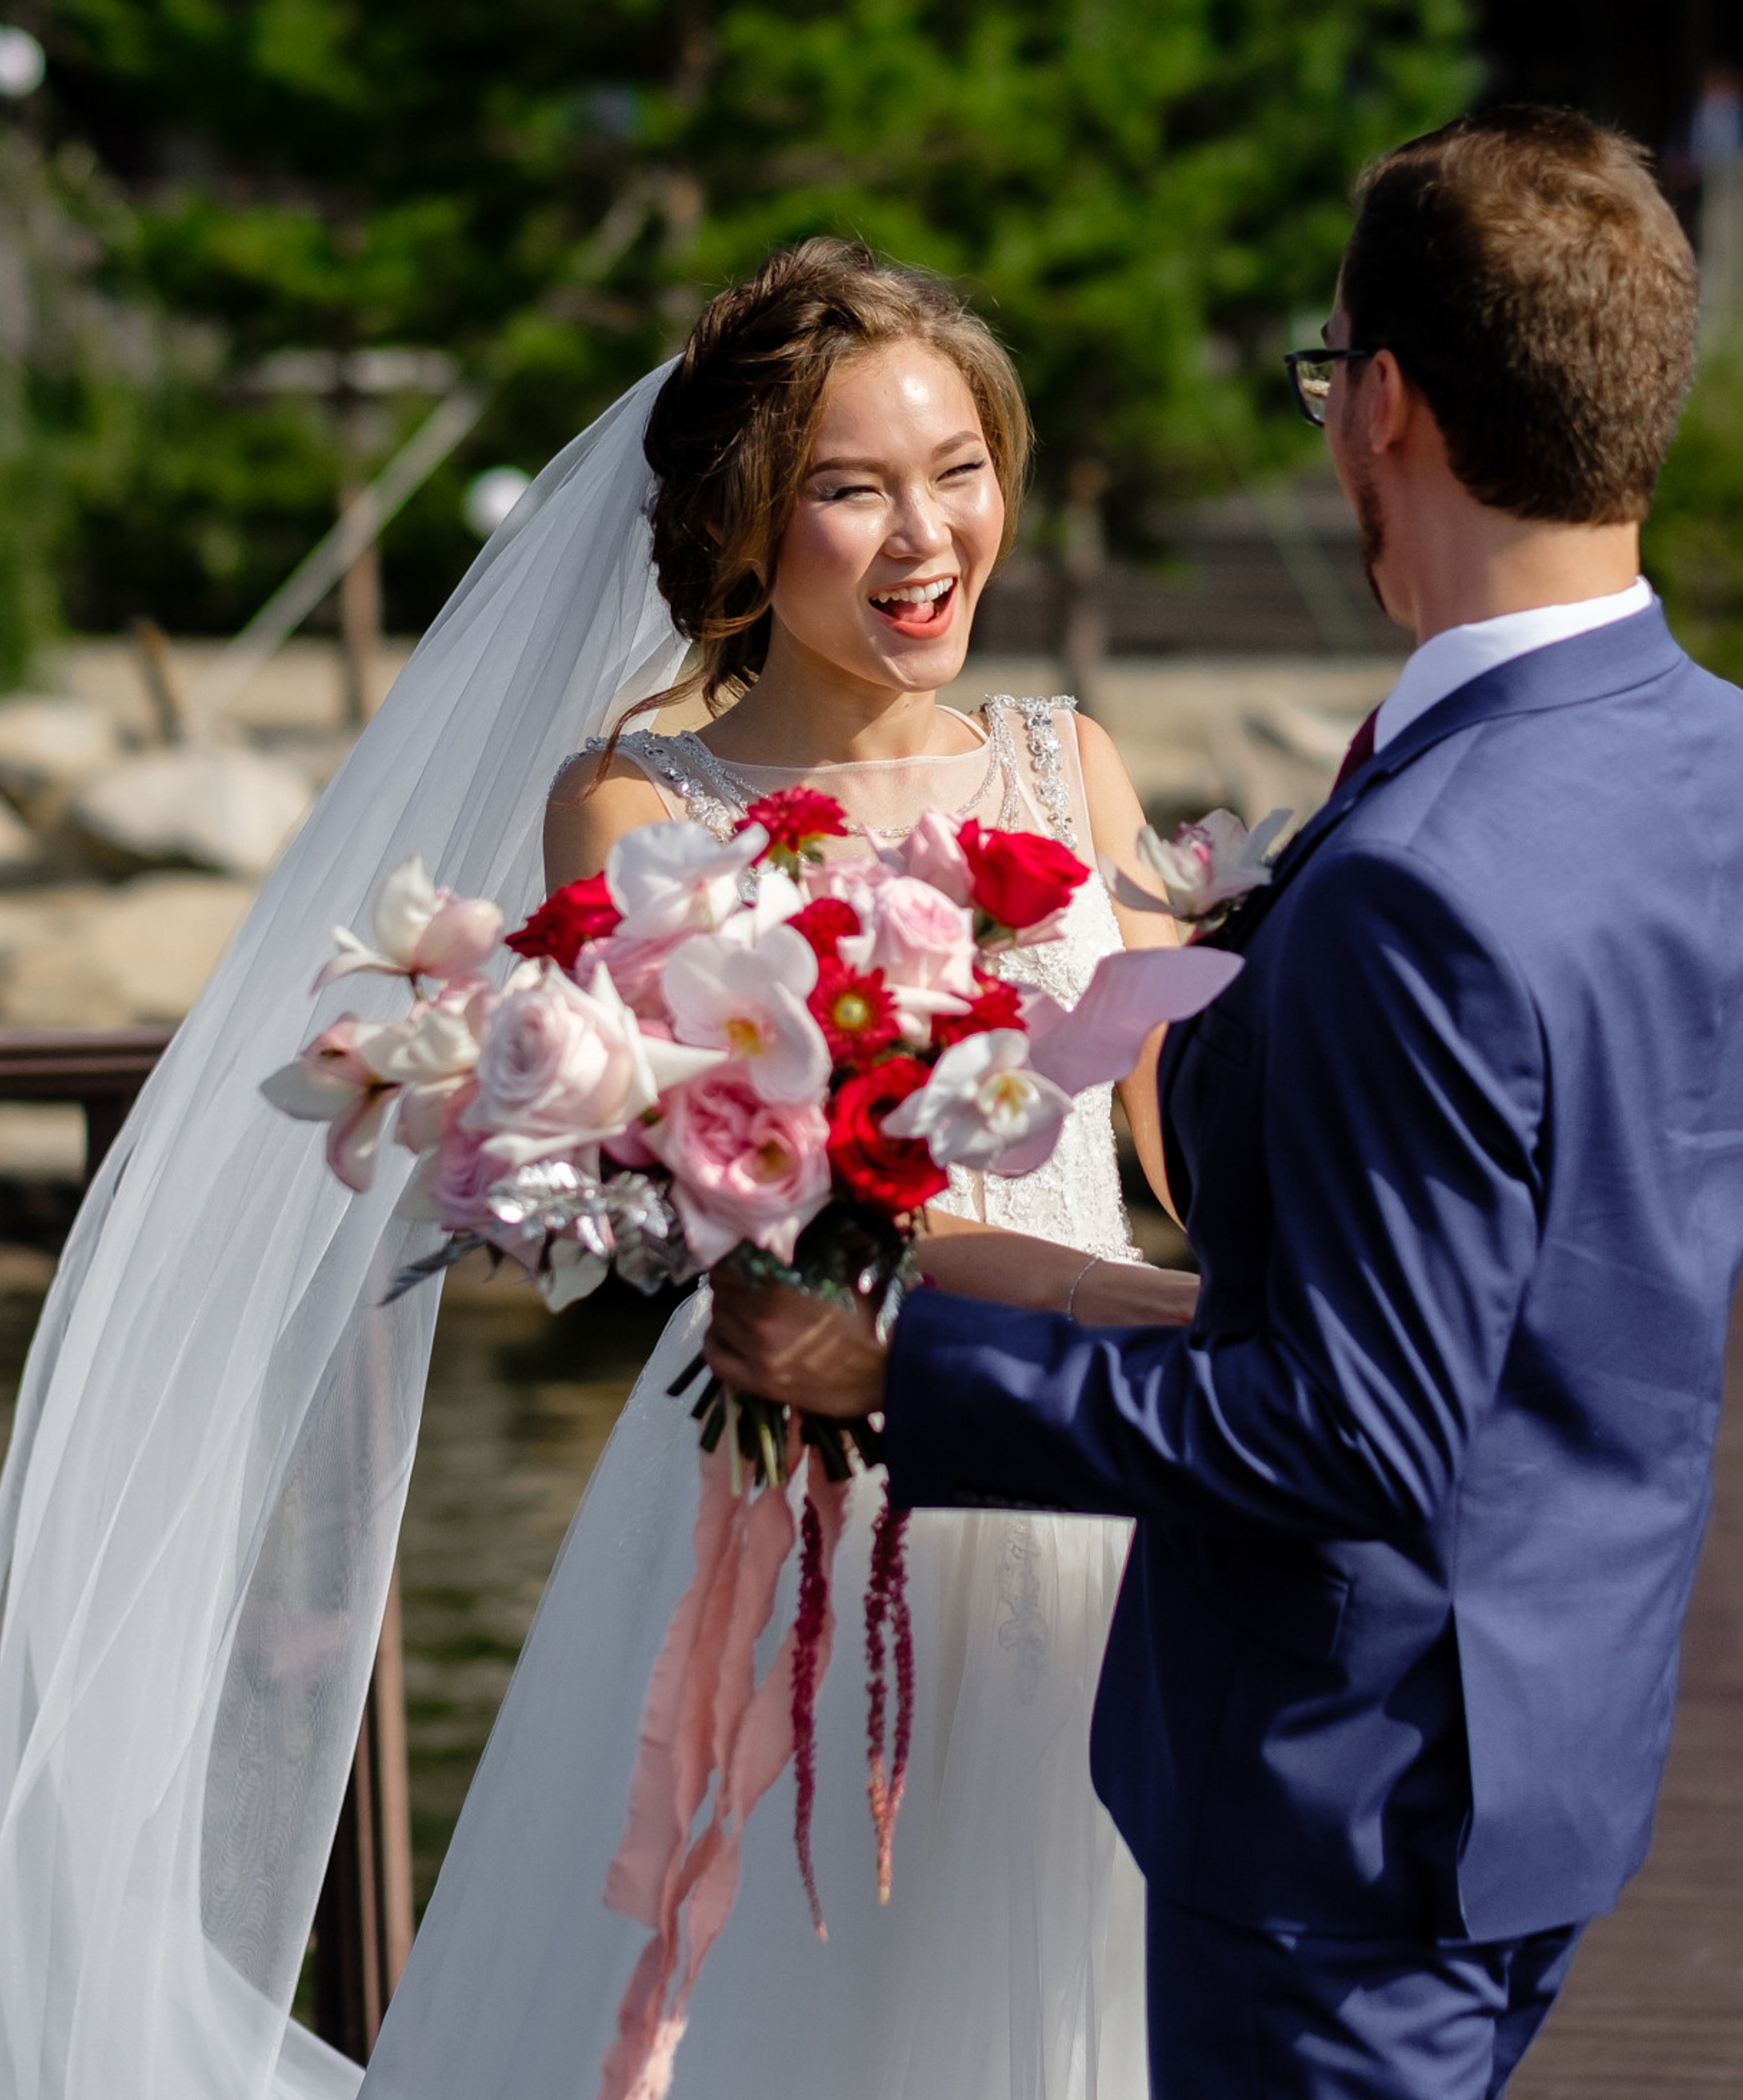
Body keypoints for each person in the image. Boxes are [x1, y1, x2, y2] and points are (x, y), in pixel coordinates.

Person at [709, 109, 1743, 2100]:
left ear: (1382, 401)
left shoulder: (1426, 868)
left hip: (1346, 1803)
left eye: (1329, 378)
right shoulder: (1726, 758)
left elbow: (1346, 1428)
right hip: (1553, 1726)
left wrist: (897, 1374)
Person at [0, 240, 1186, 2099]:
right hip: (790, 1474)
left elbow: (1179, 1127)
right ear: (739, 521)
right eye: (849, 487)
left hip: (1076, 1472)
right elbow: (803, 1204)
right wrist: (1143, 1298)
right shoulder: (641, 804)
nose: (923, 533)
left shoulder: (1067, 763)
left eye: (957, 468)